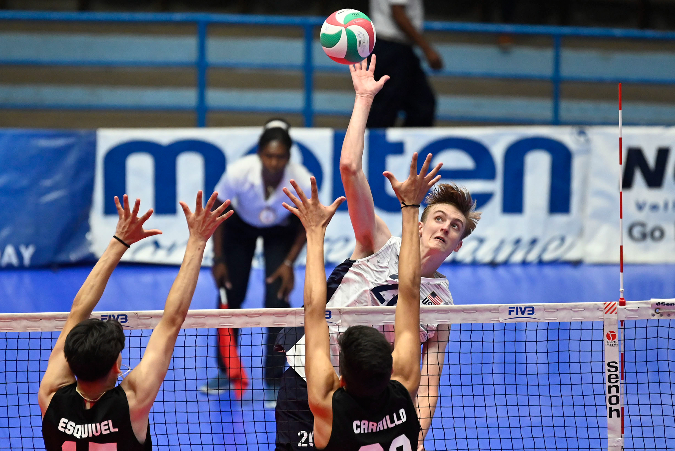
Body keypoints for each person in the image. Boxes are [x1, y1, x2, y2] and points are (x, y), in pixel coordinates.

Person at [274, 57, 480, 451]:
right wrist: (364, 99)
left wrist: (417, 438)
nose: (444, 228)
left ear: (458, 245)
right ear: (418, 224)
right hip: (310, 381)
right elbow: (349, 167)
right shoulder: (380, 242)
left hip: (373, 404)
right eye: (439, 218)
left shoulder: (443, 305)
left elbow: (428, 383)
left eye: (455, 226)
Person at [39, 191, 232, 450]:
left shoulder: (50, 395)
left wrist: (119, 241)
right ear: (117, 366)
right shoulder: (132, 402)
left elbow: (77, 311)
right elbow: (172, 320)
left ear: (69, 360)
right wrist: (197, 240)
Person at [281, 151, 433, 450]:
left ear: (341, 379)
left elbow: (313, 311)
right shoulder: (404, 389)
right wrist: (411, 207)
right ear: (391, 369)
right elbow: (411, 292)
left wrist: (314, 231)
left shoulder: (328, 408)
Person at [200, 118, 312, 405]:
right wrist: (218, 258)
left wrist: (289, 263)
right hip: (239, 229)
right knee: (230, 295)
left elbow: (307, 223)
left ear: (288, 157)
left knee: (277, 301)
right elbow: (217, 208)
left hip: (281, 232)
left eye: (281, 157)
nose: (274, 163)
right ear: (260, 153)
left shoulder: (300, 178)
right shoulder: (238, 172)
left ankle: (274, 379)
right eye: (269, 156)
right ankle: (226, 371)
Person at [366, 0, 443, 127]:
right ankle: (376, 139)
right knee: (387, 106)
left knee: (420, 105)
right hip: (392, 47)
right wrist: (426, 49)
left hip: (391, 47)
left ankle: (407, 138)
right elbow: (398, 13)